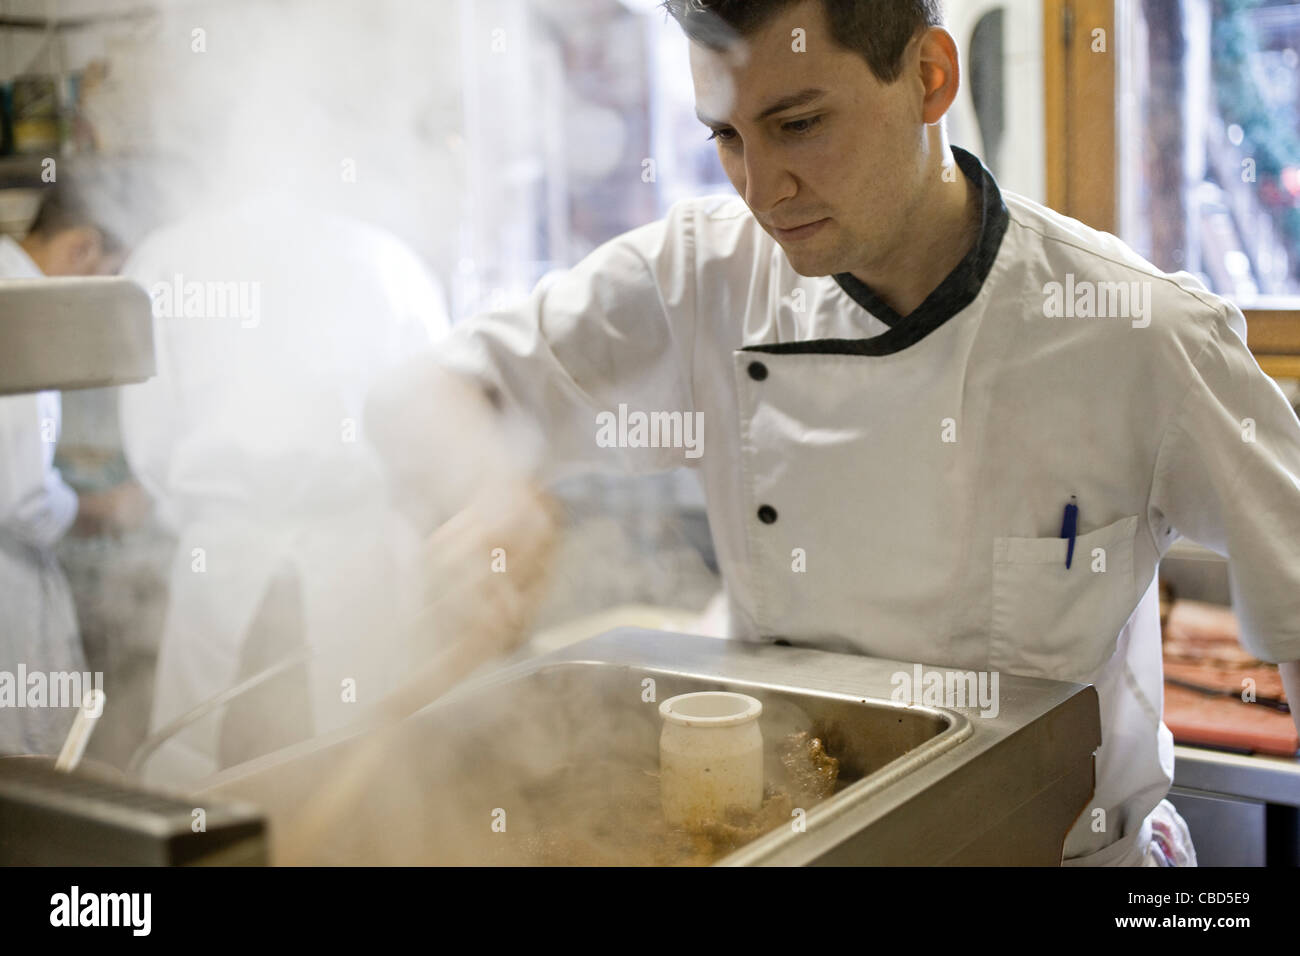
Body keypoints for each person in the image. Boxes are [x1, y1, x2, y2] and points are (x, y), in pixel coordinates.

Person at [367, 0, 1300, 866]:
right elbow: (425, 394)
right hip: (798, 844)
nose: (764, 188)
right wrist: (489, 488)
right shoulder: (702, 280)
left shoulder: (1135, 330)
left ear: (930, 78)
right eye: (727, 137)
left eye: (799, 123)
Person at [118, 195, 456, 786]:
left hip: (221, 552)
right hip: (354, 558)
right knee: (357, 776)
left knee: (203, 775)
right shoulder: (387, 260)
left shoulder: (167, 257)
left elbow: (148, 436)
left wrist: (205, 515)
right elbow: (432, 433)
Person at [0, 180, 142, 755]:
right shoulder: (25, 308)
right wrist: (108, 509)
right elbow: (24, 501)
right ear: (83, 249)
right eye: (109, 277)